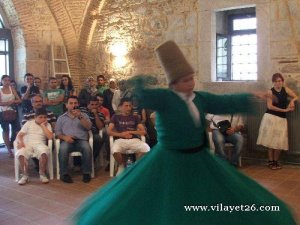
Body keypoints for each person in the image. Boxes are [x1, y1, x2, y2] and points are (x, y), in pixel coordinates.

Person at [73, 41, 296, 225]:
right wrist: (139, 82)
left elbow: (224, 101)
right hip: (169, 161)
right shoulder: (165, 98)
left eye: (192, 77)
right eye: (186, 79)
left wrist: (252, 97)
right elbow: (145, 97)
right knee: (169, 203)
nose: (191, 82)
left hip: (199, 159)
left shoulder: (200, 98)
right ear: (174, 83)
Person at [257, 73, 298, 170]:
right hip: (271, 118)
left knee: (279, 142)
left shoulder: (285, 89)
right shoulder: (270, 92)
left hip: (282, 119)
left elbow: (296, 96)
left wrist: (292, 101)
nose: (278, 83)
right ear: (273, 82)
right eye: (276, 81)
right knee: (270, 141)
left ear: (282, 81)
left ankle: (276, 161)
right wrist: (285, 110)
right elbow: (270, 106)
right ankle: (270, 161)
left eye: (279, 81)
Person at [107, 97, 150, 174]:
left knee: (146, 148)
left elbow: (143, 131)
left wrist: (131, 132)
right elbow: (109, 131)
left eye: (130, 106)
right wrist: (121, 134)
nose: (129, 108)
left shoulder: (135, 117)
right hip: (120, 140)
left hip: (134, 139)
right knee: (115, 150)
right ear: (120, 107)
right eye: (126, 106)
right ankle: (122, 166)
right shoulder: (115, 117)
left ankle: (135, 167)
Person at [55, 96, 93, 183]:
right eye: (71, 103)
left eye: (75, 103)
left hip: (81, 140)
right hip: (67, 140)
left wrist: (79, 116)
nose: (73, 105)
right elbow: (57, 133)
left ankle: (86, 173)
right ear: (66, 105)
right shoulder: (61, 118)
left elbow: (89, 127)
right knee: (63, 149)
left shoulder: (84, 115)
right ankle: (64, 174)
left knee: (87, 148)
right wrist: (65, 137)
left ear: (78, 104)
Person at [15, 108, 53, 185]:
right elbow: (19, 135)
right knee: (21, 154)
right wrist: (21, 142)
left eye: (45, 117)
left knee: (44, 152)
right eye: (40, 117)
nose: (43, 119)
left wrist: (43, 126)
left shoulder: (47, 125)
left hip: (39, 144)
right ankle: (25, 176)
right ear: (35, 117)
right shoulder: (28, 123)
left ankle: (42, 174)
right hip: (27, 144)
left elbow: (50, 137)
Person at [0, 75, 22, 157]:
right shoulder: (0, 90)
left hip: (13, 111)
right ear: (1, 81)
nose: (7, 82)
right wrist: (7, 103)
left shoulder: (12, 89)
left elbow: (19, 100)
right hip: (3, 112)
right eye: (5, 80)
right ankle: (9, 150)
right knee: (6, 131)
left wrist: (14, 101)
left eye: (8, 80)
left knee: (17, 130)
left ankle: (18, 146)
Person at [80, 96, 105, 162]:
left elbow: (100, 127)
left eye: (96, 104)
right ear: (88, 104)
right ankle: (78, 163)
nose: (94, 106)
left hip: (93, 132)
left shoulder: (100, 114)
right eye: (92, 104)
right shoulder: (81, 110)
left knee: (99, 139)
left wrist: (96, 114)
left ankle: (91, 159)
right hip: (81, 131)